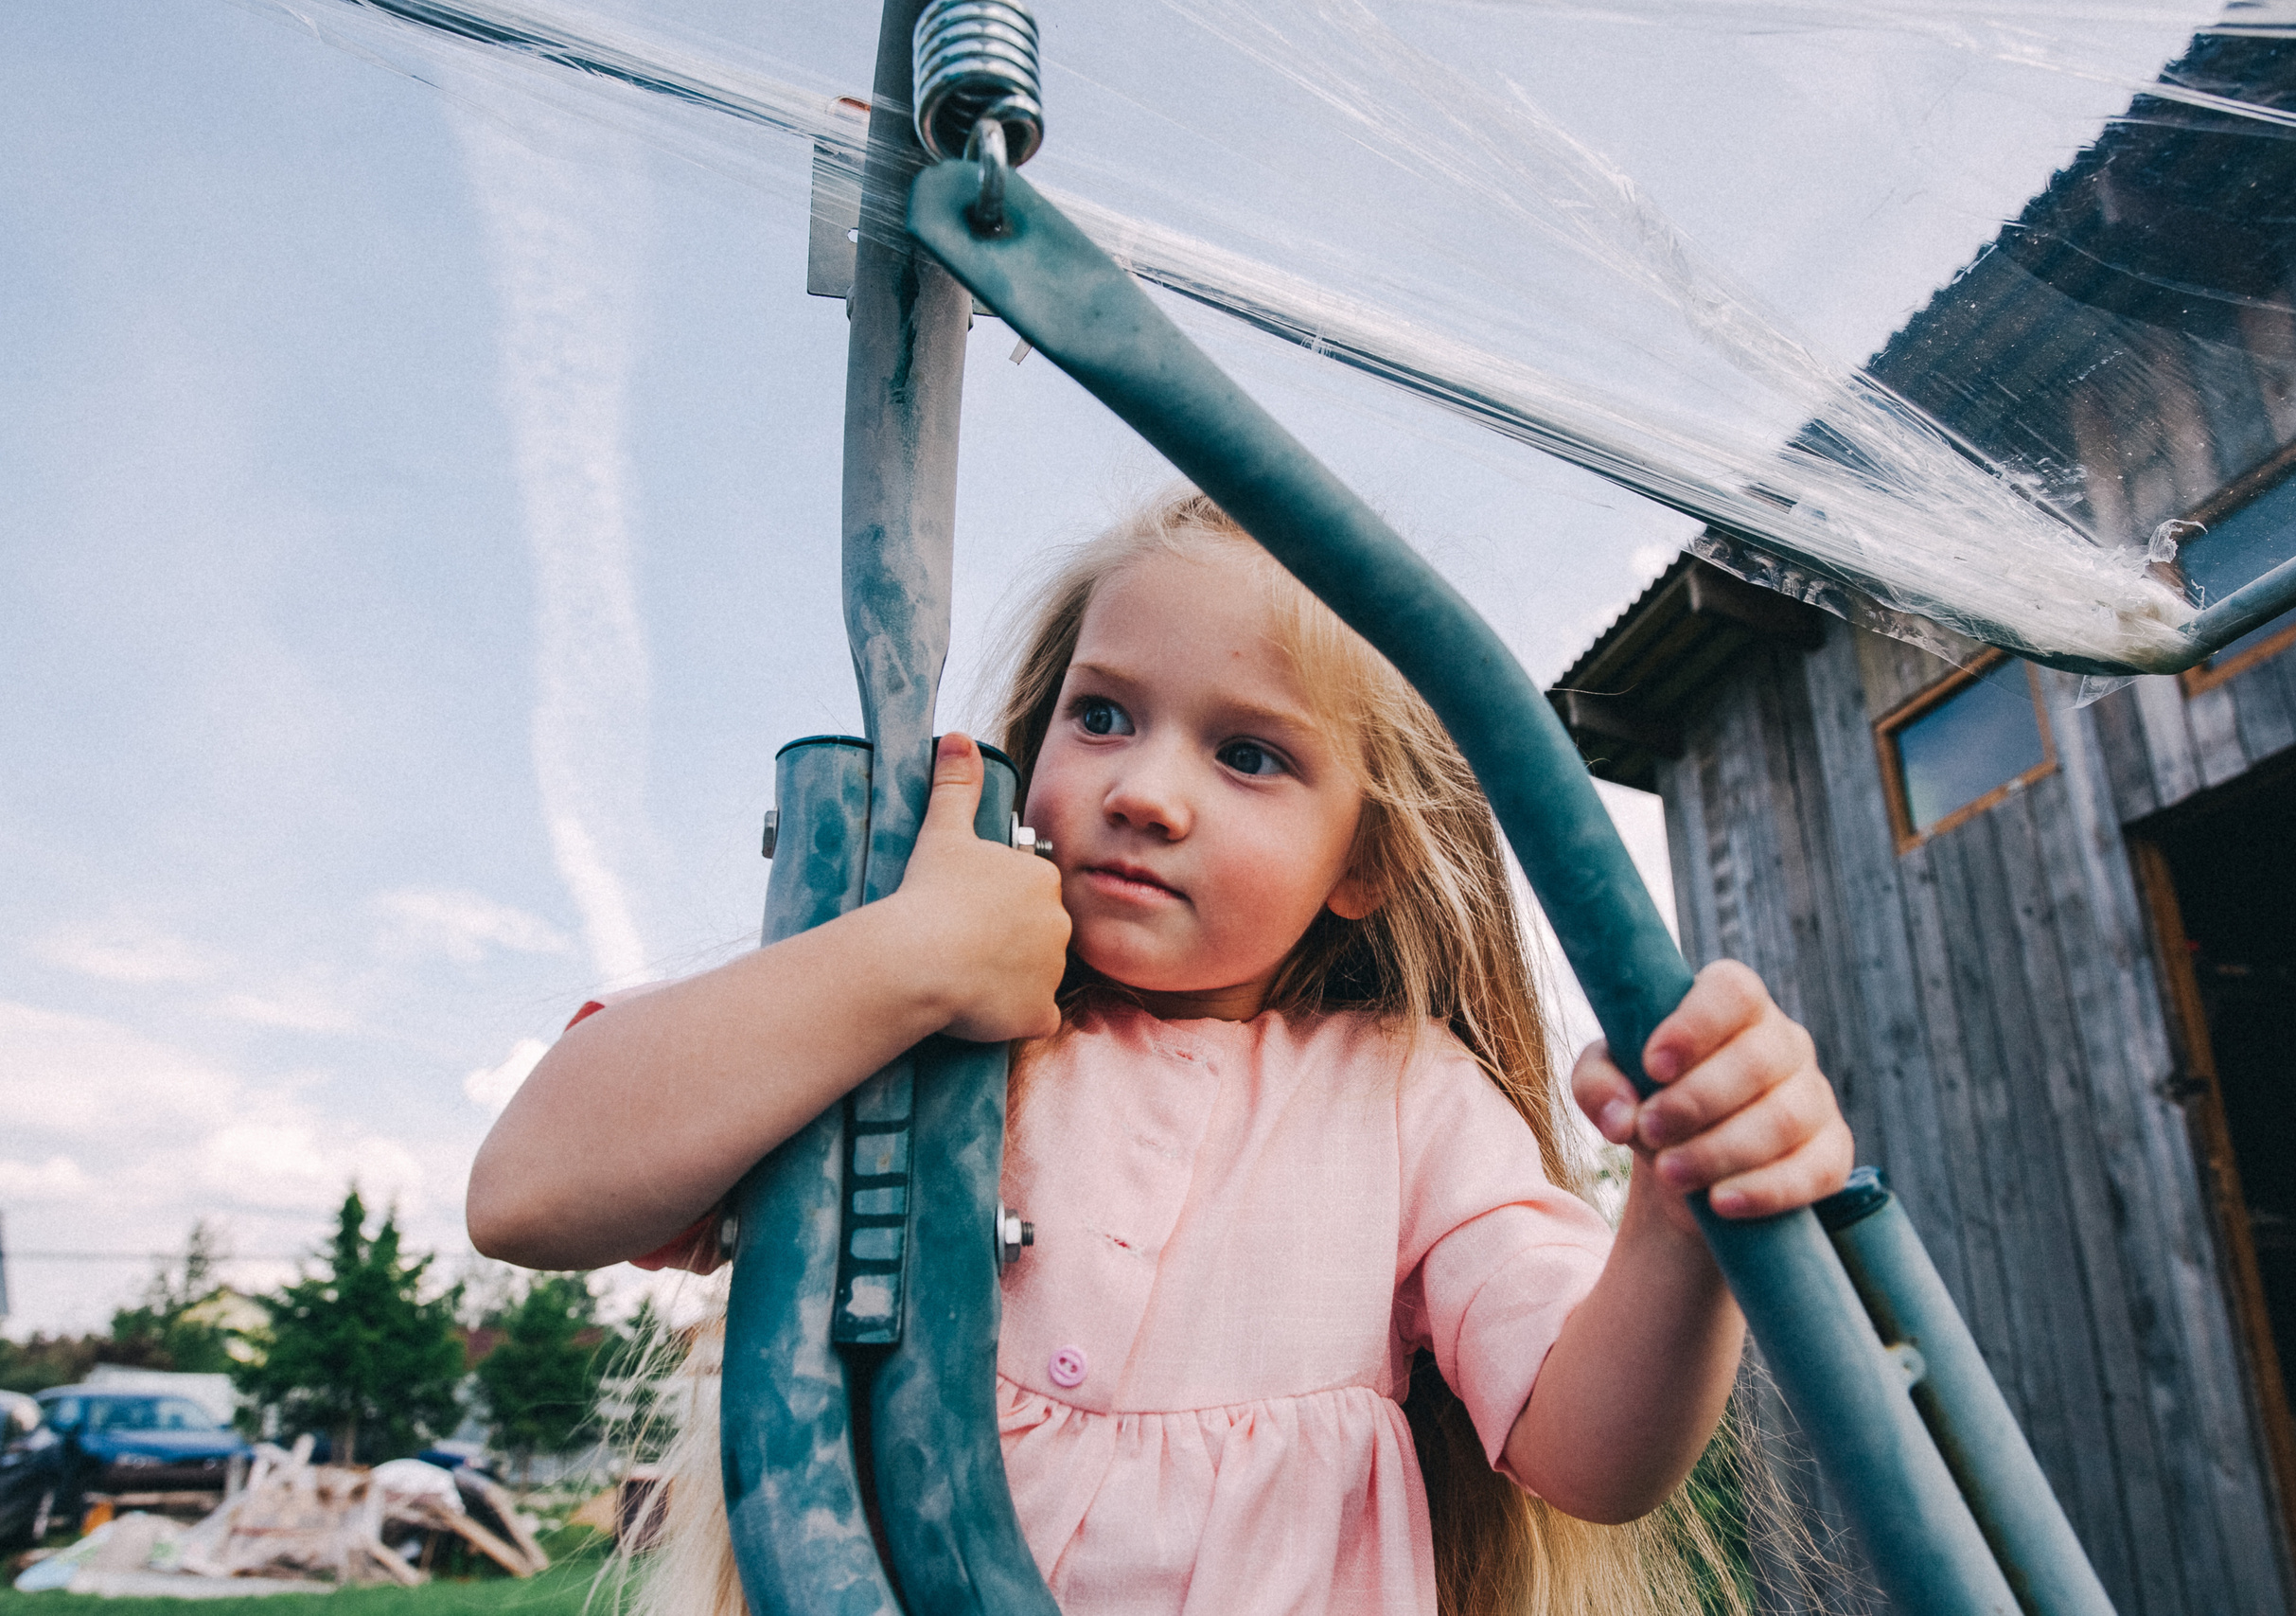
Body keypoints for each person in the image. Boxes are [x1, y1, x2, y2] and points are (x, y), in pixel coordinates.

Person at [468, 488, 1852, 1616]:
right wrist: (900, 960)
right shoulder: (915, 1028)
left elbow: (1589, 1453)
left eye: (1249, 756)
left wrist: (1681, 1223)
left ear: (1361, 862)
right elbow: (527, 1191)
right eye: (1105, 716)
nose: (1144, 792)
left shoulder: (1405, 1100)